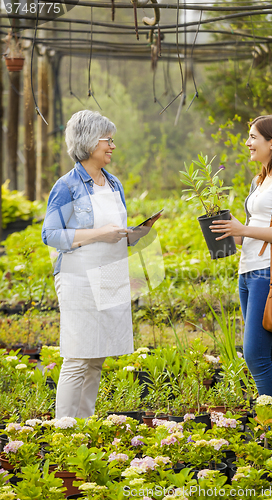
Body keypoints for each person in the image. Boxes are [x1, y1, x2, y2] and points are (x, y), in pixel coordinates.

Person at [42, 110, 160, 419]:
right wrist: (100, 234)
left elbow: (113, 230)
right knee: (77, 357)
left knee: (97, 358)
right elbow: (51, 234)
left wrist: (132, 235)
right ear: (89, 142)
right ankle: (64, 432)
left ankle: (85, 426)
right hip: (78, 278)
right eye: (107, 140)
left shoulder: (113, 183)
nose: (112, 146)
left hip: (110, 273)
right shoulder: (67, 186)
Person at [210, 115, 272, 407]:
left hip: (271, 273)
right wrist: (231, 233)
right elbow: (253, 228)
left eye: (253, 137)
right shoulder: (259, 180)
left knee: (254, 354)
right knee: (270, 353)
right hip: (249, 271)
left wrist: (243, 229)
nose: (248, 143)